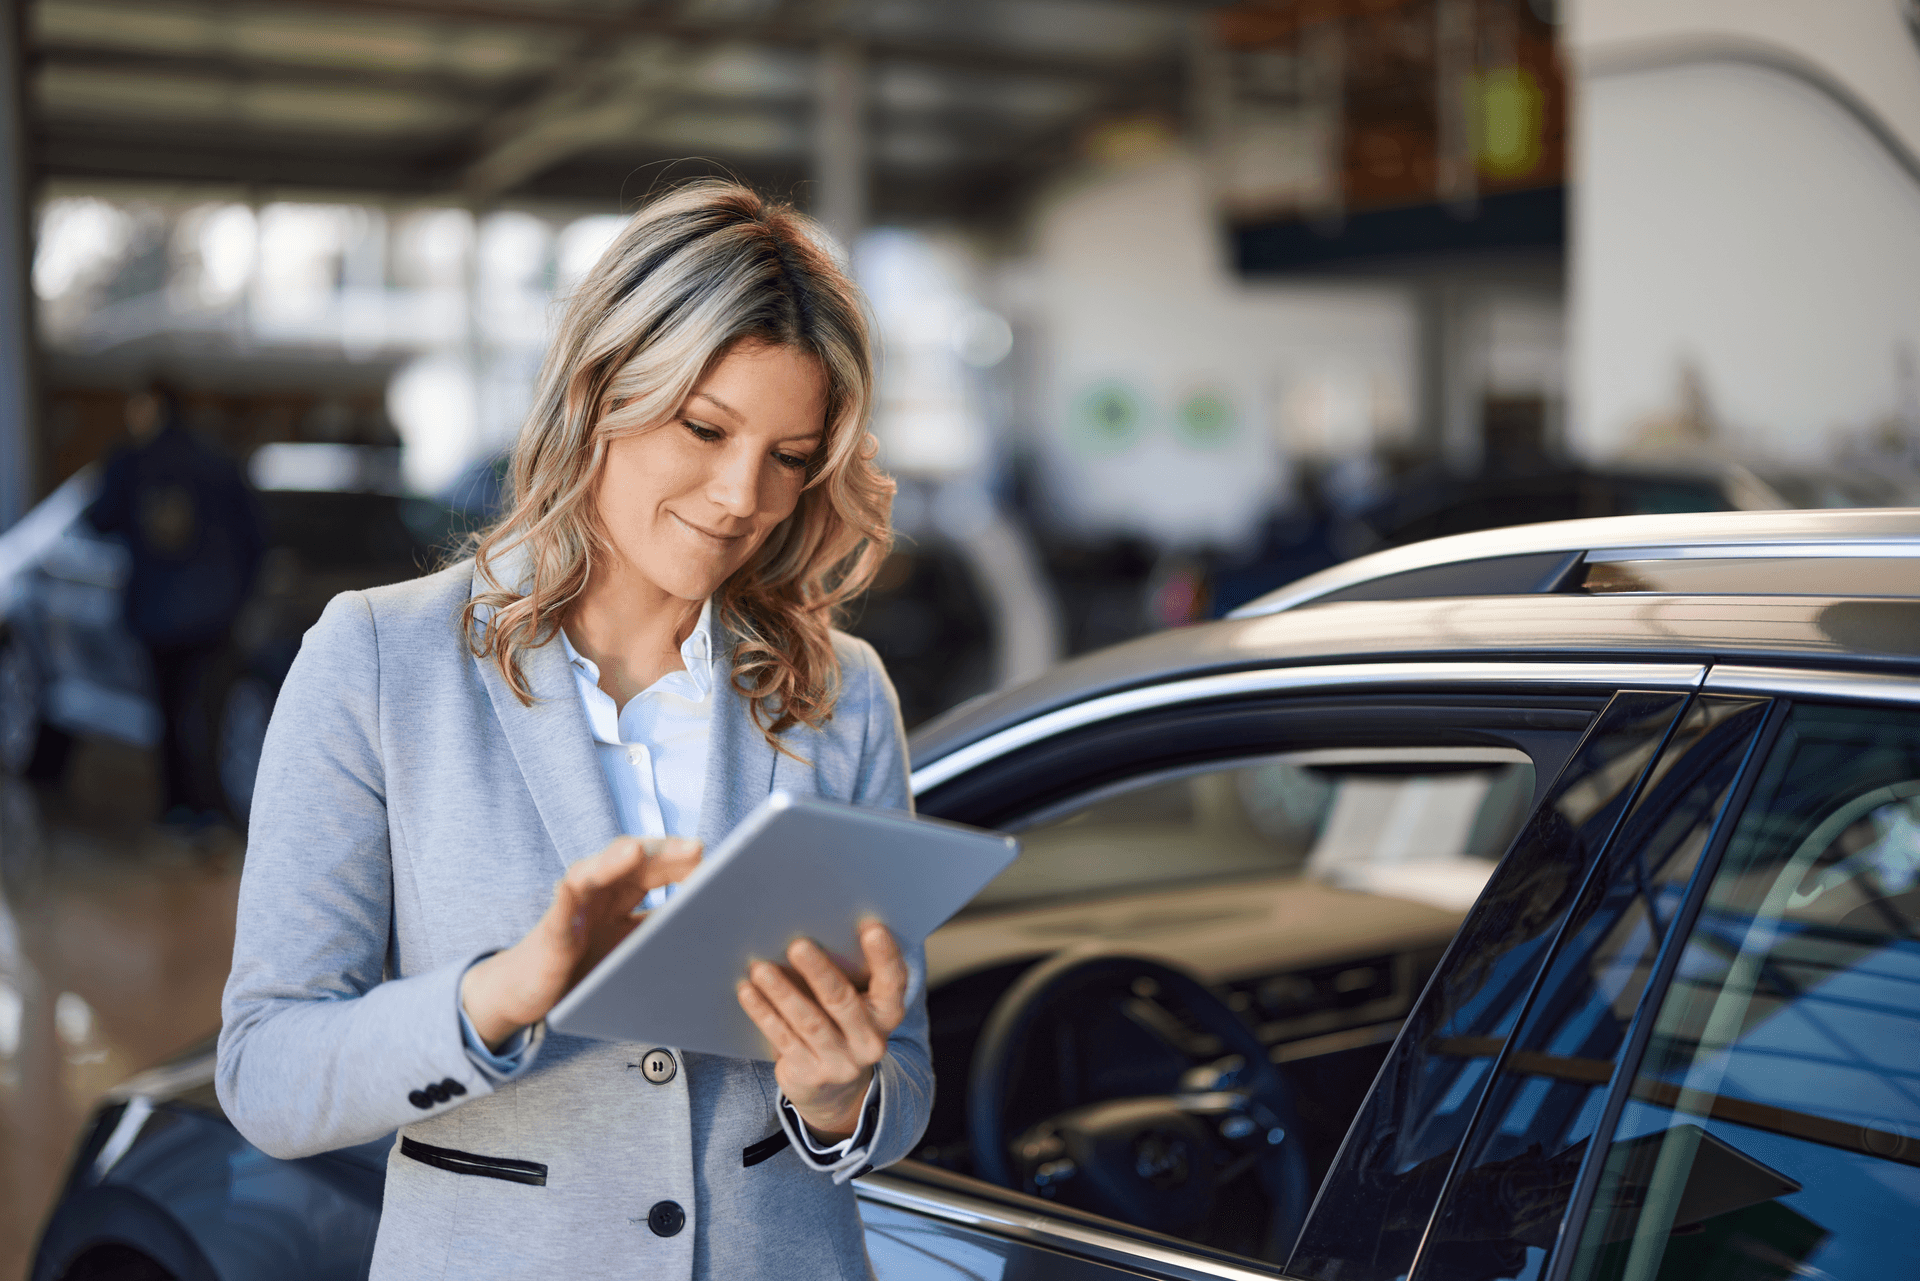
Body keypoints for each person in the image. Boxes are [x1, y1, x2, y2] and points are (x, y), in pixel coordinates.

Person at [215, 182, 931, 1279]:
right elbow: (267, 1072)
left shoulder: (843, 694)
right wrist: (506, 990)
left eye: (791, 455)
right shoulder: (377, 661)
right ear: (600, 390)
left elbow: (905, 1074)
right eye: (706, 427)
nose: (745, 495)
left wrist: (839, 1100)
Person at [86, 382, 264, 825]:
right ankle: (211, 812)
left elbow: (99, 518)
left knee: (170, 714)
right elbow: (255, 536)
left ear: (152, 406)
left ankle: (179, 813)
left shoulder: (133, 461)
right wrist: (238, 595)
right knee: (206, 712)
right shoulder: (217, 459)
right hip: (215, 612)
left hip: (159, 614)